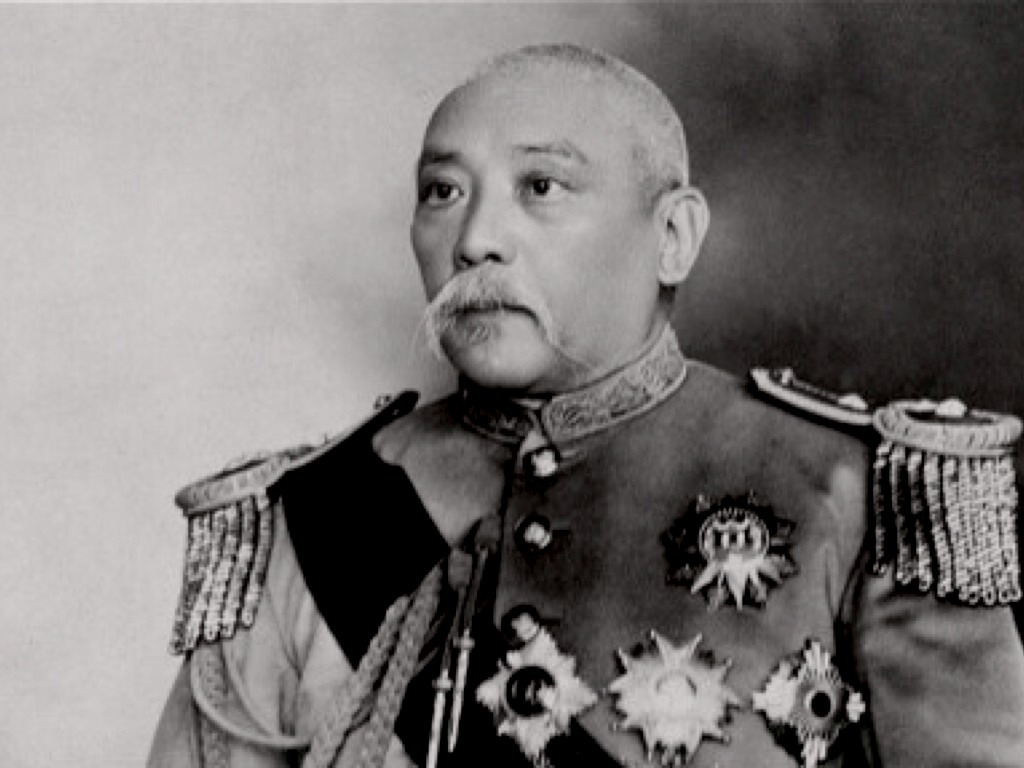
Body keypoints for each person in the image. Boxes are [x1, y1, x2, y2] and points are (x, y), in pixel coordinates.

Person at [148, 44, 1024, 768]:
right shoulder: (312, 517)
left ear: (672, 236)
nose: (475, 241)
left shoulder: (854, 494)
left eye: (541, 187)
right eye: (443, 192)